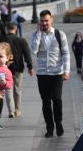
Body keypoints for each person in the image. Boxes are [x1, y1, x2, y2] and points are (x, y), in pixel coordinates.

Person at [30, 9, 70, 138]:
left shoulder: (59, 34)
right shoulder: (35, 34)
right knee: (45, 101)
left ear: (51, 20)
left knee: (57, 99)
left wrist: (67, 71)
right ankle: (49, 127)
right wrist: (38, 33)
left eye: (46, 20)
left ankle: (58, 122)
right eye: (42, 21)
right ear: (39, 22)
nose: (44, 23)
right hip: (42, 73)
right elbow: (34, 50)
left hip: (57, 72)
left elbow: (66, 53)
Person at [5, 22, 33, 118]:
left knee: (8, 90)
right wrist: (30, 67)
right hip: (18, 67)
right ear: (15, 28)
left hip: (6, 68)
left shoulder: (3, 40)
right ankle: (17, 110)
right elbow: (27, 54)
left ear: (6, 28)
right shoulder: (21, 40)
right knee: (17, 90)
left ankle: (11, 111)